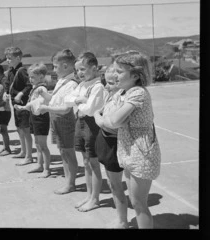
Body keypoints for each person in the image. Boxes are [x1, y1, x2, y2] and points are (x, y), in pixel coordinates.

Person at [100, 50, 161, 229]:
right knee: (135, 201)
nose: (114, 75)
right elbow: (109, 117)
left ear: (135, 75)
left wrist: (108, 119)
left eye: (119, 72)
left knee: (139, 203)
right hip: (127, 149)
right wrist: (108, 118)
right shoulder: (123, 93)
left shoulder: (137, 93)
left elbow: (114, 121)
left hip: (141, 152)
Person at [64, 52, 105, 212]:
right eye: (77, 70)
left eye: (83, 69)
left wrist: (78, 102)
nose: (79, 73)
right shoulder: (82, 86)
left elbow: (89, 110)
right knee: (86, 162)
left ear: (94, 68)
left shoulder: (98, 86)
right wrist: (78, 100)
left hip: (91, 126)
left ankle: (95, 199)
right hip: (80, 124)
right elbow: (67, 100)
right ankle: (89, 196)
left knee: (93, 163)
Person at [38, 49, 79, 194]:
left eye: (56, 66)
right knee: (62, 152)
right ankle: (68, 180)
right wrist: (43, 94)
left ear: (66, 66)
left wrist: (47, 108)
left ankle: (71, 183)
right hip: (56, 119)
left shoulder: (72, 84)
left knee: (68, 152)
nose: (54, 70)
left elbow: (66, 109)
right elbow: (54, 101)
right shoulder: (62, 82)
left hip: (65, 121)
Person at [94, 65, 128, 228]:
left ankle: (122, 221)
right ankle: (121, 218)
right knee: (112, 183)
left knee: (115, 184)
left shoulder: (123, 99)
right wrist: (99, 116)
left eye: (110, 83)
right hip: (106, 141)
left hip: (114, 142)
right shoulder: (111, 96)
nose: (106, 86)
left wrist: (99, 119)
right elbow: (99, 112)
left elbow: (109, 122)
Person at [14, 63, 51, 177]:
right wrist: (25, 107)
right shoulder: (35, 88)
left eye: (33, 77)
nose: (30, 79)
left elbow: (46, 100)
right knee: (37, 143)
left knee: (43, 145)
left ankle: (46, 169)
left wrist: (25, 106)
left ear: (41, 76)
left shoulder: (41, 88)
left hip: (41, 118)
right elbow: (34, 103)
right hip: (34, 117)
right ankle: (39, 165)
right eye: (29, 77)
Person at [3, 47, 33, 166]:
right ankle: (23, 151)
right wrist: (6, 92)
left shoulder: (21, 71)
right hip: (15, 103)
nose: (7, 60)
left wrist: (21, 93)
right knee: (19, 128)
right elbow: (8, 84)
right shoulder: (11, 71)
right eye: (7, 58)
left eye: (10, 58)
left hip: (23, 104)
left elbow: (29, 85)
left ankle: (29, 155)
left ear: (18, 58)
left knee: (25, 129)